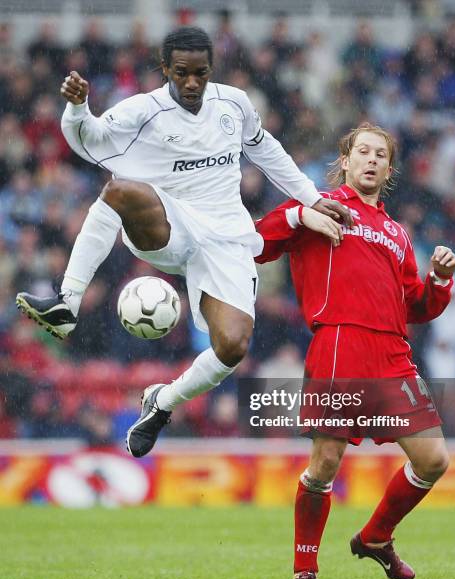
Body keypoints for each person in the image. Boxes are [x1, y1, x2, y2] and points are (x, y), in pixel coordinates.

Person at [15, 26, 350, 458]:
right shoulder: (143, 110)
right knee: (119, 190)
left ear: (211, 69)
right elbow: (89, 140)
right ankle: (67, 303)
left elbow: (266, 151)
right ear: (165, 69)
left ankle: (161, 403)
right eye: (182, 73)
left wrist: (313, 199)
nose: (192, 83)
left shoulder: (234, 103)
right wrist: (78, 109)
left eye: (201, 73)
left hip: (226, 237)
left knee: (233, 346)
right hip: (169, 222)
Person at [254, 123, 455, 579]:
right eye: (362, 152)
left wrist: (440, 281)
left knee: (434, 460)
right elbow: (258, 243)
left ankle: (375, 538)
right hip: (340, 345)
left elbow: (416, 306)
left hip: (393, 353)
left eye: (380, 155)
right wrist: (300, 217)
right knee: (325, 463)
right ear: (345, 160)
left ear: (389, 169)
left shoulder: (397, 233)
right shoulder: (322, 205)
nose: (370, 160)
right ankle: (305, 571)